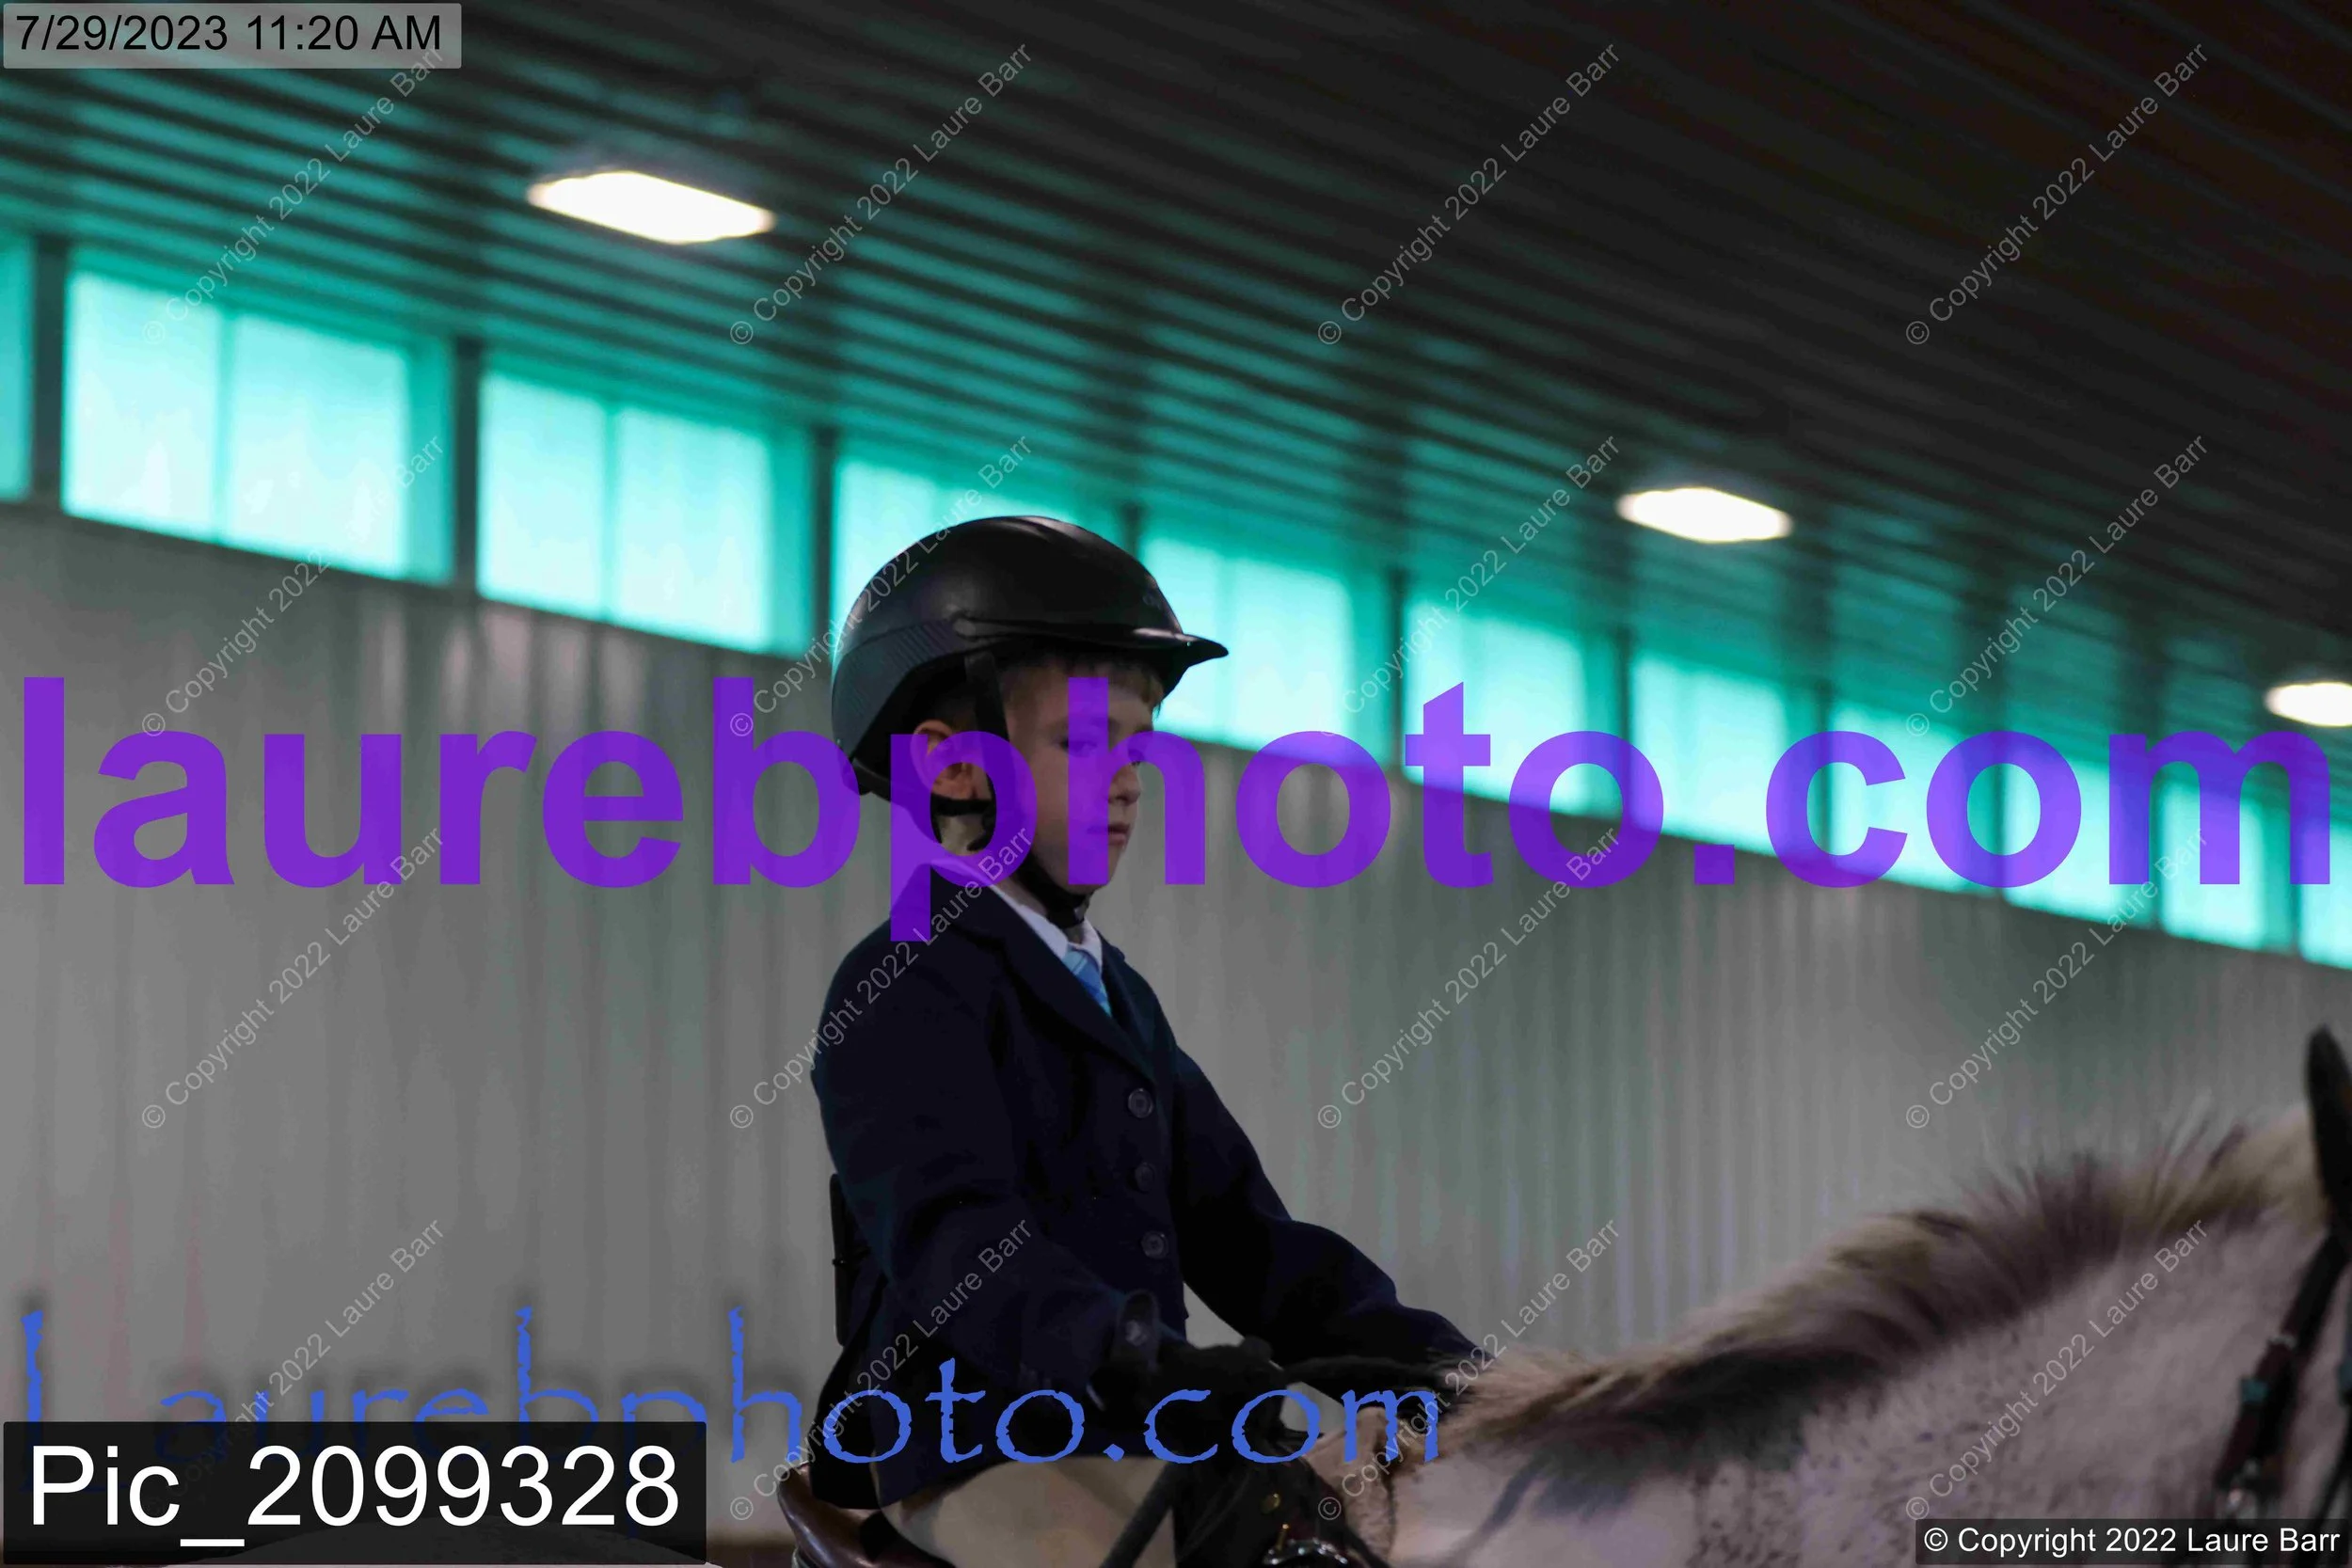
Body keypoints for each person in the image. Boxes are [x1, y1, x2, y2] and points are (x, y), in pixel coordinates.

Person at [809, 515, 1474, 1567]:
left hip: (1133, 1427)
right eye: (1083, 743)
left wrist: (1438, 1361)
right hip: (975, 1445)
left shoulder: (1121, 998)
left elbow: (1243, 1233)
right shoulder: (902, 983)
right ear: (951, 766)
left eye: (1137, 745)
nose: (1126, 778)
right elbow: (957, 1243)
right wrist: (1131, 1355)